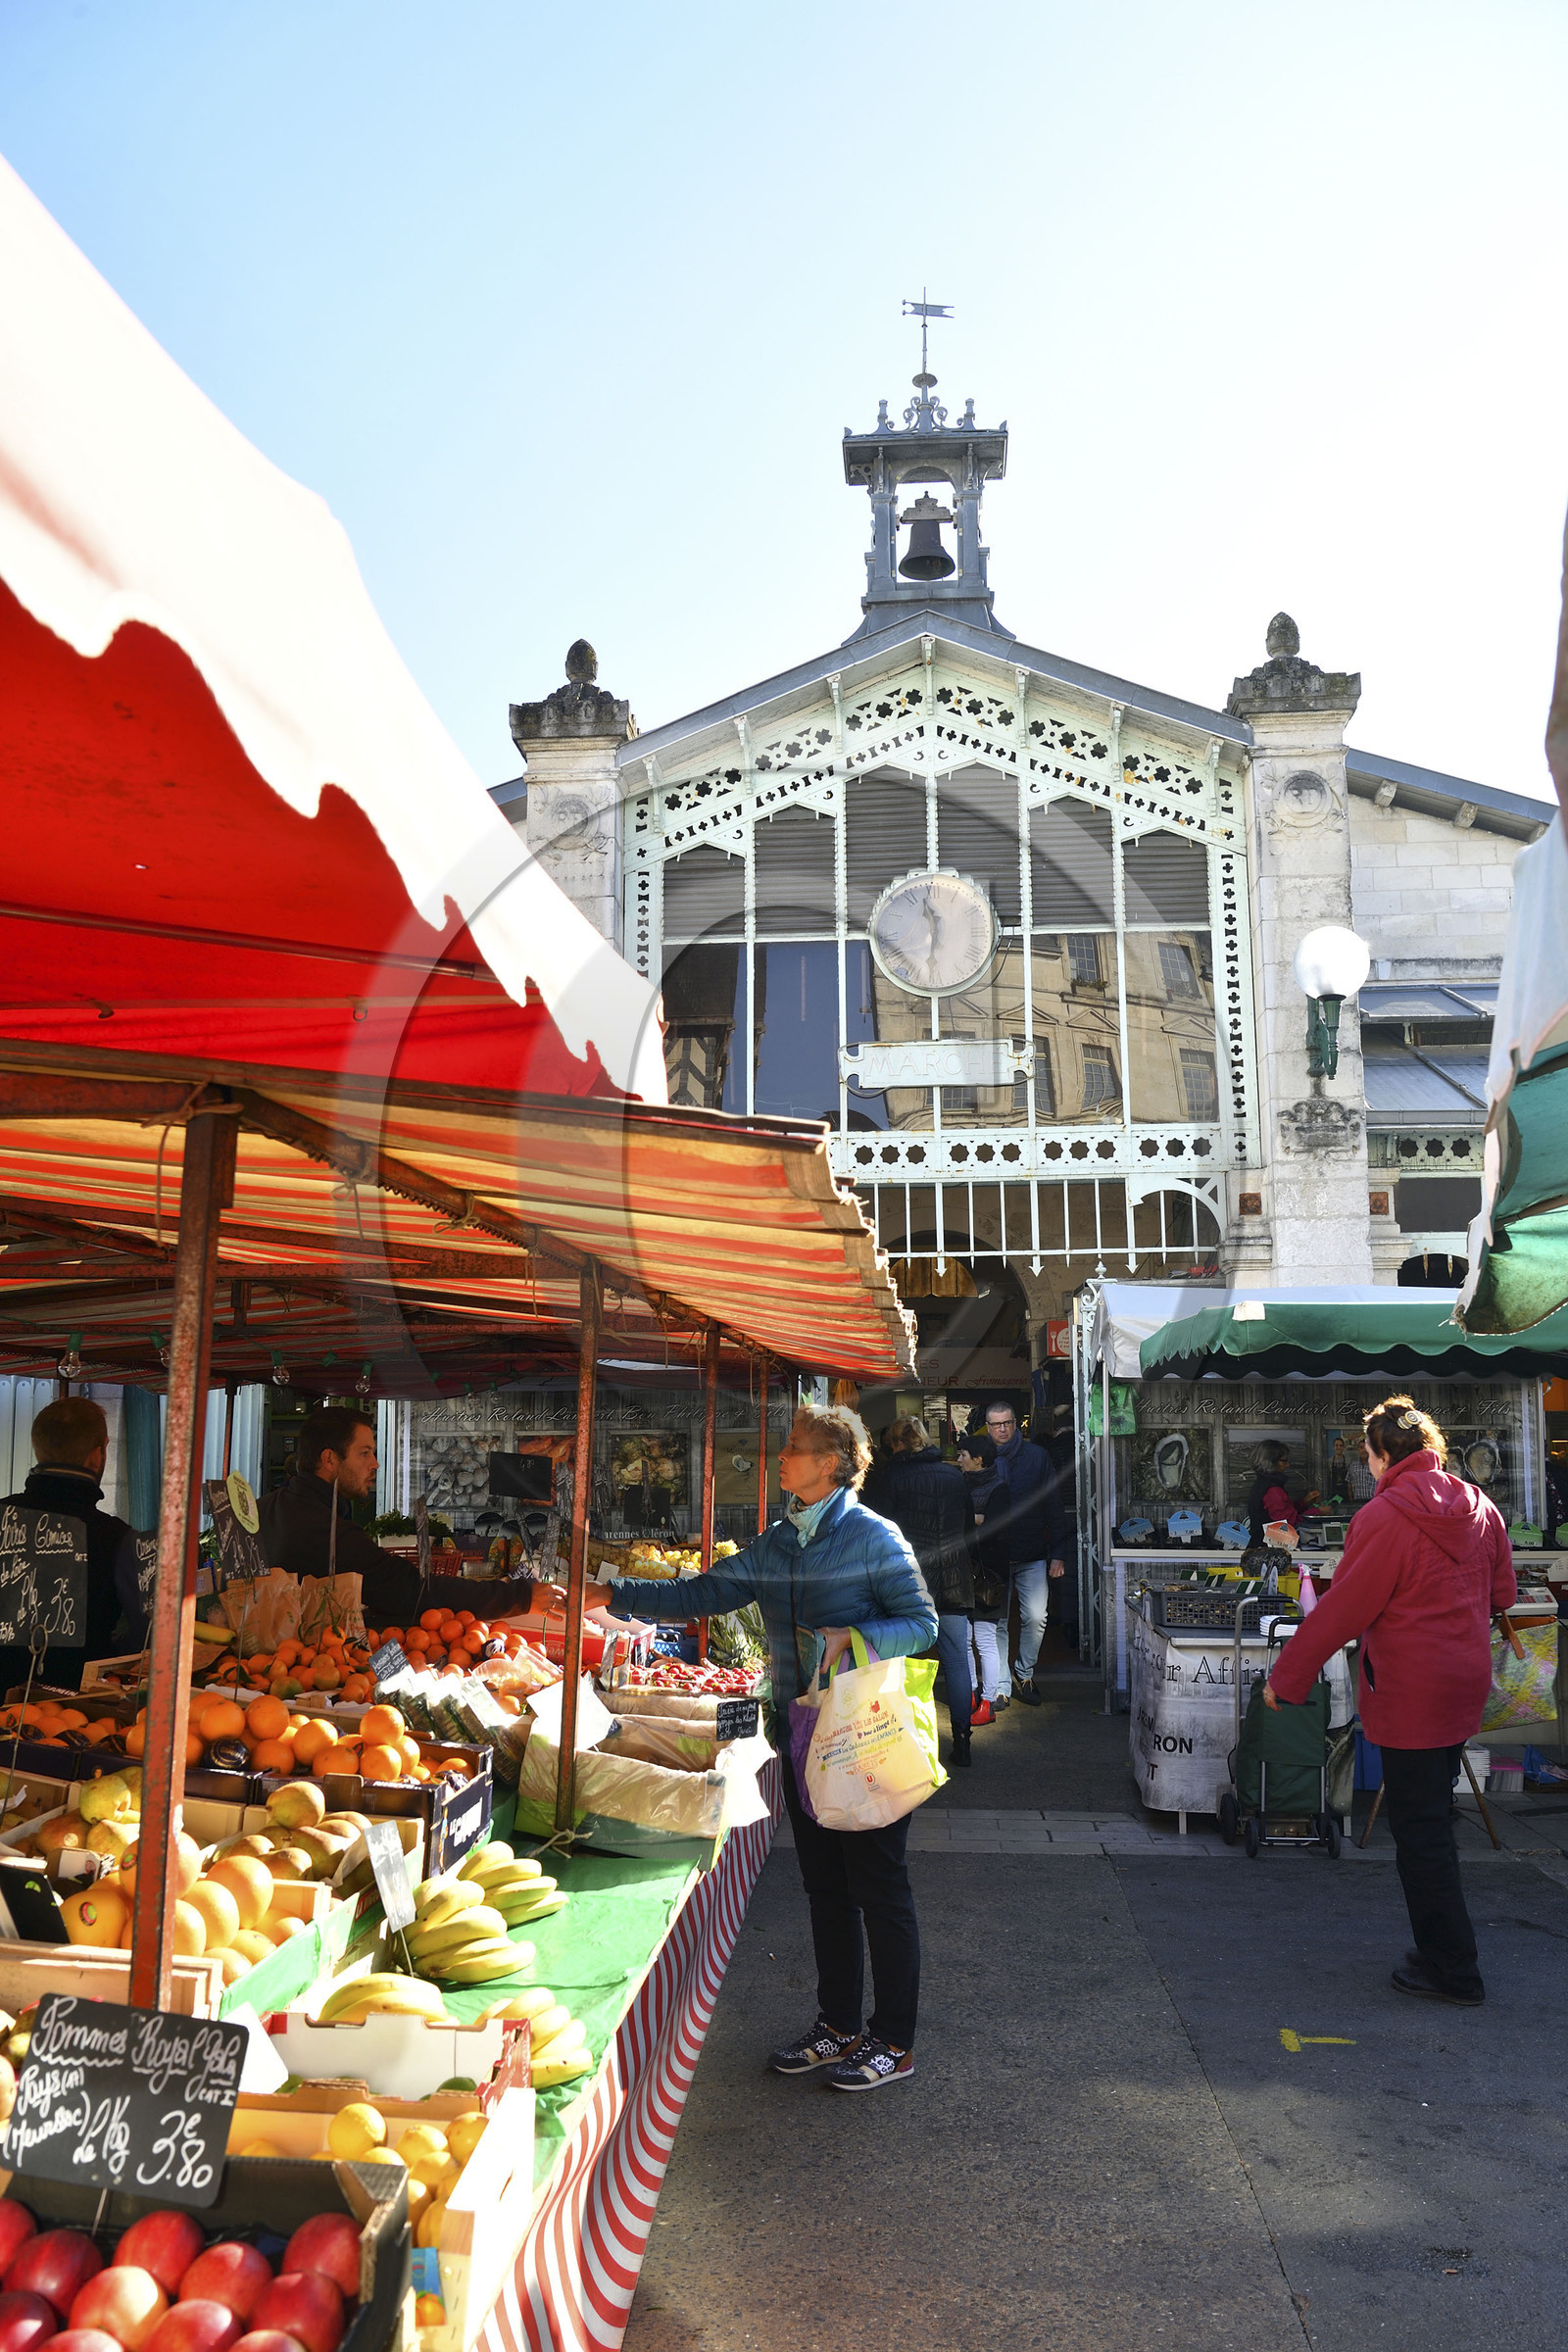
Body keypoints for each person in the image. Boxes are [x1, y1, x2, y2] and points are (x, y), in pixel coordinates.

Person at [607, 1401, 937, 2090]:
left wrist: (857, 1639)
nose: (780, 1458)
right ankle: (838, 2023)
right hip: (800, 1731)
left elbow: (922, 1623)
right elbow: (706, 1592)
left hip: (865, 1736)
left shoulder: (875, 1538)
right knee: (825, 1887)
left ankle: (893, 2040)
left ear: (831, 1464)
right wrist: (612, 1594)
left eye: (794, 1447)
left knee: (879, 1885)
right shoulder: (781, 1540)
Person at [1266, 1395, 1515, 2007]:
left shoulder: (1384, 1516)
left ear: (1381, 1457)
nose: (1371, 1471)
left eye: (1371, 1460)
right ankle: (1440, 1950)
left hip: (1411, 1689)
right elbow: (1503, 1592)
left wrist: (1286, 1679)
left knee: (1420, 1831)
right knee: (1430, 1818)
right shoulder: (1480, 1505)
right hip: (1462, 1681)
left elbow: (1345, 1611)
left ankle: (1454, 1969)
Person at [258, 1405, 557, 1628]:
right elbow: (411, 1589)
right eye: (364, 1453)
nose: (375, 1463)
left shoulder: (268, 1508)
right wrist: (520, 1597)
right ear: (329, 1459)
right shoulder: (323, 1529)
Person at [0, 1397, 145, 1696]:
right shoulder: (119, 1539)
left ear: (38, 1448)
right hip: (73, 1717)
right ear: (97, 1454)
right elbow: (143, 1637)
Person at [870, 1416, 976, 1767]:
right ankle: (962, 1740)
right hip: (954, 1580)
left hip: (908, 1584)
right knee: (957, 1659)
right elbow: (965, 1527)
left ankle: (909, 1738)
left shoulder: (889, 1478)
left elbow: (877, 1534)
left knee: (904, 1661)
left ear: (898, 1444)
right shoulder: (953, 1476)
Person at [980, 1398, 1067, 1706]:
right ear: (987, 1427)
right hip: (994, 1556)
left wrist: (1058, 1552)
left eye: (1008, 1423)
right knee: (997, 1622)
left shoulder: (1036, 1456)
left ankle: (1024, 1672)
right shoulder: (981, 1458)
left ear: (1016, 1424)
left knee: (1035, 1617)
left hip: (1032, 1552)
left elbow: (1054, 1505)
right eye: (996, 1424)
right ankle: (1002, 1684)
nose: (1003, 1429)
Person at [956, 1428, 1010, 1721]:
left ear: (978, 1459)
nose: (958, 1460)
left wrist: (972, 1522)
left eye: (963, 1455)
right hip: (964, 1571)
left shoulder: (1000, 1488)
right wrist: (977, 1520)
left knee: (985, 1639)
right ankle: (971, 1693)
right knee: (965, 1638)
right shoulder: (960, 1485)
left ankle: (987, 1702)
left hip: (989, 1575)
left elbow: (995, 1530)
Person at [1246, 1444, 1297, 1550]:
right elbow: (1288, 1523)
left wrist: (1303, 1503)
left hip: (1259, 1546)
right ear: (1271, 1462)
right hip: (1269, 1550)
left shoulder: (1261, 1484)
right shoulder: (1273, 1490)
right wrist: (1316, 1512)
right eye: (1284, 1461)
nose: (1287, 1465)